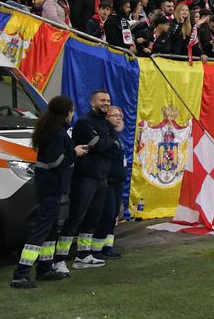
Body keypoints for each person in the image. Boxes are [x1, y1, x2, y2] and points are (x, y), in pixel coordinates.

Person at [11, 95, 90, 288]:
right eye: (71, 110)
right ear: (67, 112)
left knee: (51, 228)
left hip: (51, 186)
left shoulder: (53, 128)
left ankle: (45, 268)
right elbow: (55, 160)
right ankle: (21, 273)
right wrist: (75, 153)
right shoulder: (56, 132)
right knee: (43, 228)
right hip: (51, 186)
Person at [56, 90, 120, 269]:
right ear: (92, 103)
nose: (106, 103)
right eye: (102, 100)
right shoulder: (84, 123)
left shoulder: (106, 124)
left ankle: (83, 256)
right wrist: (106, 143)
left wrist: (104, 142)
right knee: (75, 217)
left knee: (93, 218)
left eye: (108, 100)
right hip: (85, 178)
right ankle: (59, 259)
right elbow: (100, 145)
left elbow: (115, 145)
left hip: (102, 178)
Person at [93, 105, 127, 259]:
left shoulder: (117, 136)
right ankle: (96, 249)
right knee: (106, 214)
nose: (119, 118)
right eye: (115, 115)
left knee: (113, 215)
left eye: (120, 116)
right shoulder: (106, 136)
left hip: (118, 180)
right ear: (107, 119)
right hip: (108, 180)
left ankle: (107, 246)